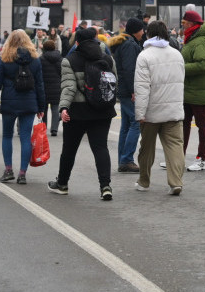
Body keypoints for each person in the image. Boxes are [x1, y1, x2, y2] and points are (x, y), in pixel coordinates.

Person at [49, 26, 117, 200]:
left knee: (69, 150)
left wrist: (63, 108)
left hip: (77, 112)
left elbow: (69, 87)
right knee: (101, 148)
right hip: (103, 110)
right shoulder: (108, 59)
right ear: (95, 40)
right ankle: (105, 186)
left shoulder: (69, 60)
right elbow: (114, 82)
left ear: (77, 42)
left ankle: (62, 184)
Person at [0, 29, 47, 184]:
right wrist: (41, 107)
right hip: (29, 103)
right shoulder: (35, 60)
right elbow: (40, 85)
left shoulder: (5, 59)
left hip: (9, 102)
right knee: (25, 137)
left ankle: (8, 170)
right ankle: (22, 173)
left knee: (7, 135)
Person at [134, 20, 186, 195]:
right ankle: (176, 182)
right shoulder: (177, 54)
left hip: (151, 112)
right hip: (174, 110)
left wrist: (140, 113)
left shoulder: (145, 56)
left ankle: (144, 180)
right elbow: (181, 83)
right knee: (175, 147)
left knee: (146, 148)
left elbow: (141, 87)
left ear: (148, 34)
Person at [179, 11, 205, 171]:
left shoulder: (199, 40)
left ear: (192, 24)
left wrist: (181, 68)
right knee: (184, 124)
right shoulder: (191, 38)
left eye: (184, 22)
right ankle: (178, 157)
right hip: (189, 88)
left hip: (199, 89)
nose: (182, 24)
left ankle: (202, 158)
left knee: (201, 125)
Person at [110, 17, 145, 173]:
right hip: (129, 90)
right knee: (136, 123)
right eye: (142, 29)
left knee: (126, 126)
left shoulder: (123, 43)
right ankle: (127, 159)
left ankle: (122, 159)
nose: (143, 32)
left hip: (123, 89)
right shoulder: (130, 45)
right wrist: (134, 90)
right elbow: (130, 70)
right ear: (136, 31)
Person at [40, 38, 64, 135]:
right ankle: (54, 129)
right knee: (55, 108)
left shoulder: (41, 59)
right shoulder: (60, 59)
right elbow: (62, 73)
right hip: (57, 87)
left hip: (44, 87)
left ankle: (44, 127)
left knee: (44, 108)